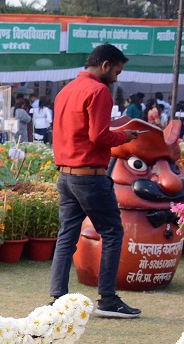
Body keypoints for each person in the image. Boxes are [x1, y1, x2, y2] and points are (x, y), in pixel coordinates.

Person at [51, 43, 142, 319]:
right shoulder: (99, 91)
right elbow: (99, 137)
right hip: (89, 176)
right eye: (117, 71)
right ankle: (108, 299)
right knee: (113, 232)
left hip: (66, 175)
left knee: (66, 236)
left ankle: (58, 298)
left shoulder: (66, 90)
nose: (117, 78)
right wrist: (125, 137)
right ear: (105, 65)